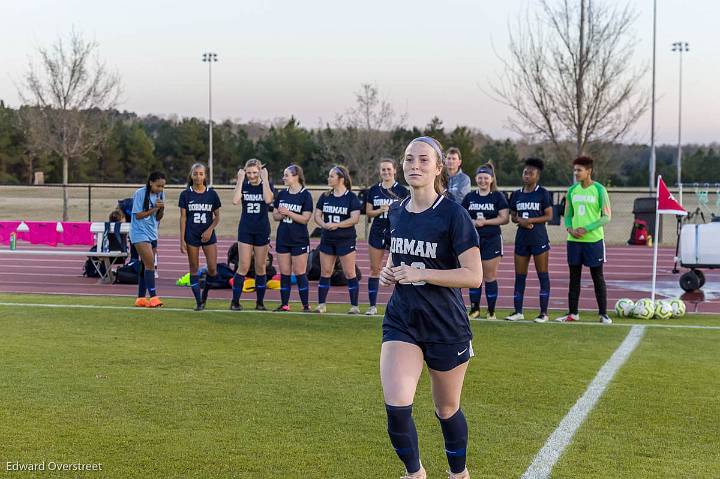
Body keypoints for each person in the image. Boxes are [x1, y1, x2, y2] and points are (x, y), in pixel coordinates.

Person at [380, 136, 482, 479]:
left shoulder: (454, 214)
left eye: (423, 160)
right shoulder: (396, 211)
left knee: (447, 408)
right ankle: (415, 474)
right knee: (396, 407)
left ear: (439, 168)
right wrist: (391, 271)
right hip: (402, 319)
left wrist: (422, 273)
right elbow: (400, 256)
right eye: (409, 160)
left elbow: (474, 276)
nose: (414, 166)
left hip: (445, 325)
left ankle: (458, 473)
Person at [556, 156, 613, 324]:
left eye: (579, 170)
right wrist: (570, 229)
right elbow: (567, 215)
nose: (576, 173)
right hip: (573, 241)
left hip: (594, 240)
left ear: (589, 171)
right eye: (574, 170)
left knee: (597, 276)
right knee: (574, 278)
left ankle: (603, 314)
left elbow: (606, 217)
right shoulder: (572, 190)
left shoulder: (599, 189)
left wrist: (586, 229)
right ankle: (573, 313)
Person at [506, 158, 554, 323]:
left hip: (538, 238)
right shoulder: (517, 194)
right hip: (522, 238)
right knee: (520, 276)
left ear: (537, 176)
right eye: (525, 172)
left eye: (531, 173)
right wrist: (519, 220)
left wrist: (531, 221)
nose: (527, 175)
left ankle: (543, 313)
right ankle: (518, 311)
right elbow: (512, 215)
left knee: (542, 275)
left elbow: (549, 215)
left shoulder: (543, 193)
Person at [461, 163, 509, 319]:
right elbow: (462, 217)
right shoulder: (470, 197)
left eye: (486, 178)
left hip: (492, 239)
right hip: (473, 240)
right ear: (476, 179)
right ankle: (474, 309)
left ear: (491, 179)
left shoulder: (497, 196)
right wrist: (473, 222)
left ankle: (491, 311)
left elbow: (504, 218)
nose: (482, 181)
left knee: (489, 276)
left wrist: (485, 222)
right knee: (474, 276)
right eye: (480, 178)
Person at [313, 165, 362, 314]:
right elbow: (317, 216)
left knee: (349, 273)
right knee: (326, 271)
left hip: (345, 240)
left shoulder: (351, 197)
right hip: (327, 239)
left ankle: (354, 306)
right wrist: (324, 225)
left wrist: (338, 225)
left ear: (341, 179)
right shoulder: (325, 196)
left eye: (332, 176)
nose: (329, 179)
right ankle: (321, 305)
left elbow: (355, 219)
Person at [364, 159, 409, 315]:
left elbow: (407, 212)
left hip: (395, 233)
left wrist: (392, 210)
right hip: (377, 231)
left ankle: (399, 306)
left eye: (389, 169)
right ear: (380, 171)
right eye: (383, 169)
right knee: (374, 269)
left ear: (395, 170)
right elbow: (368, 212)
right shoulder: (374, 190)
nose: (386, 172)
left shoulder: (402, 190)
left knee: (398, 271)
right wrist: (379, 210)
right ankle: (372, 306)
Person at [230, 159, 274, 311]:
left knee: (261, 267)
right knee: (243, 266)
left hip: (262, 230)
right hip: (246, 230)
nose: (252, 175)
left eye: (255, 172)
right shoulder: (244, 183)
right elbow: (235, 201)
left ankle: (260, 303)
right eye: (249, 173)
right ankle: (235, 302)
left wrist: (265, 179)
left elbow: (268, 200)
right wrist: (240, 179)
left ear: (260, 171)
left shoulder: (265, 184)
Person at [179, 163, 222, 311]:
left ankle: (205, 295)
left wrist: (210, 230)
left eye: (201, 174)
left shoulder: (212, 194)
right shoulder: (185, 194)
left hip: (208, 235)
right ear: (191, 175)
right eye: (195, 174)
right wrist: (182, 239)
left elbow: (217, 217)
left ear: (205, 176)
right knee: (194, 268)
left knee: (212, 269)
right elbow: (183, 218)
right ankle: (199, 302)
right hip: (192, 234)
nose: (198, 177)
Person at [272, 164, 314, 312]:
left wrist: (289, 213)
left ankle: (305, 305)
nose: (283, 178)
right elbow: (275, 216)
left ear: (296, 176)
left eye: (286, 175)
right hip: (283, 237)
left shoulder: (305, 195)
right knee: (284, 273)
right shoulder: (282, 194)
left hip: (299, 239)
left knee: (300, 272)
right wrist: (281, 214)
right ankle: (284, 304)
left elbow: (305, 219)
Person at [130, 171, 166, 308]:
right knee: (151, 263)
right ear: (151, 182)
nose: (160, 189)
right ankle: (153, 297)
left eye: (163, 187)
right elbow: (138, 215)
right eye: (158, 186)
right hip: (139, 232)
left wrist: (161, 209)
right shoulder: (140, 193)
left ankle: (140, 298)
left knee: (145, 265)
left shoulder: (160, 194)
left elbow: (158, 218)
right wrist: (154, 208)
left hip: (152, 232)